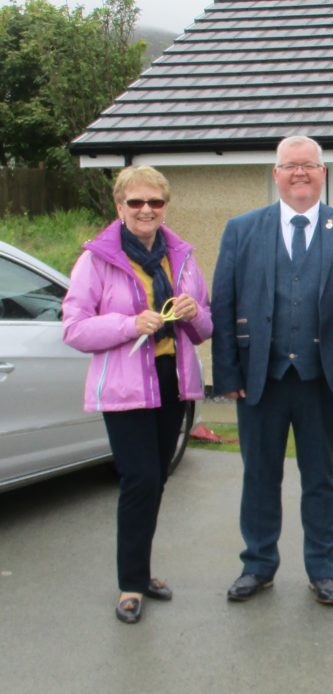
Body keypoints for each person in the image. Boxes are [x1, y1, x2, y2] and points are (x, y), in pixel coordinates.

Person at [211, 135, 333, 606]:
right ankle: (257, 565)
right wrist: (228, 376)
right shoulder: (242, 229)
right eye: (290, 165)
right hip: (263, 379)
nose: (300, 173)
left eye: (309, 165)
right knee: (259, 476)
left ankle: (323, 570)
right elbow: (224, 304)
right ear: (275, 174)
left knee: (321, 478)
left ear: (323, 173)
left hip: (324, 380)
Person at [63, 165, 212, 624]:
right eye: (136, 202)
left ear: (165, 206)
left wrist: (190, 313)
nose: (146, 210)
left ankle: (142, 573)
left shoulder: (181, 256)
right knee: (140, 480)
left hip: (173, 382)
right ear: (119, 206)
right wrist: (130, 324)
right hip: (125, 389)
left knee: (157, 479)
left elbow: (206, 326)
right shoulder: (97, 259)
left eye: (155, 203)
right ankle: (130, 583)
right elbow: (74, 328)